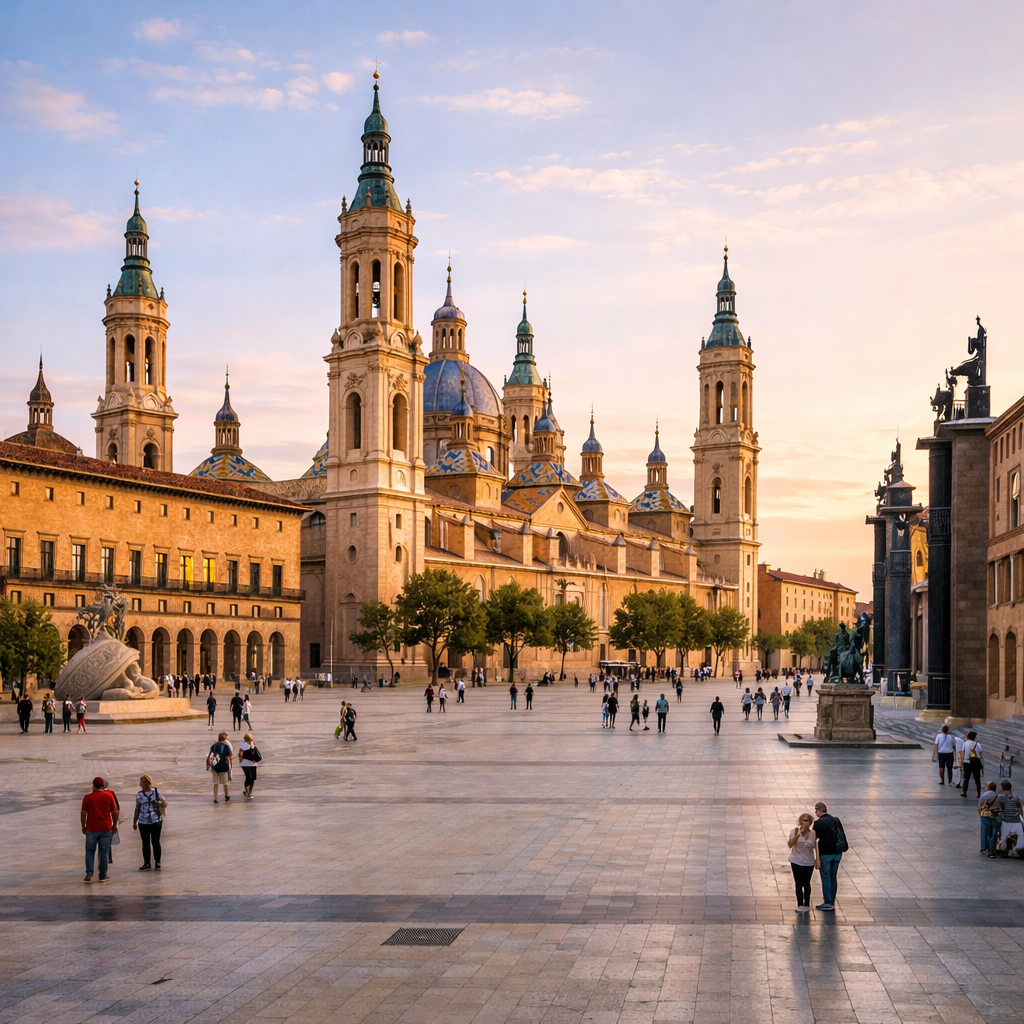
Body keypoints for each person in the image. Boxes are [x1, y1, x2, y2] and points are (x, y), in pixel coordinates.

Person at [81, 776, 119, 882]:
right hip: (106, 828)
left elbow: (83, 813)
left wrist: (83, 826)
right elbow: (115, 812)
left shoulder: (87, 797)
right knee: (103, 852)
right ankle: (103, 875)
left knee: (89, 850)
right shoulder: (109, 796)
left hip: (91, 828)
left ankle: (89, 872)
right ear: (103, 785)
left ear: (93, 786)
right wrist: (114, 825)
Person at [812, 801, 846, 910]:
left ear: (818, 811)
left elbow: (814, 838)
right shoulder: (836, 819)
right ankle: (832, 899)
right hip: (837, 853)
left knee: (825, 877)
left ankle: (828, 902)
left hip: (826, 854)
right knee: (833, 876)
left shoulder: (818, 823)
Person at [787, 813, 820, 912]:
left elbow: (816, 847)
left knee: (806, 882)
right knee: (798, 882)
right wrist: (798, 835)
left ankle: (807, 904)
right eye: (803, 821)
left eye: (807, 821)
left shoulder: (813, 833)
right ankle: (800, 904)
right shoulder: (794, 831)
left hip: (808, 861)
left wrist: (817, 860)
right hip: (796, 860)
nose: (805, 823)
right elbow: (790, 844)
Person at [132, 774, 163, 870]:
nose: (140, 784)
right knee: (151, 842)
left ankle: (152, 862)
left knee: (152, 842)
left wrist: (135, 821)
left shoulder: (141, 794)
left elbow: (137, 808)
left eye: (141, 783)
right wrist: (135, 821)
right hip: (153, 820)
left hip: (149, 821)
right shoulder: (156, 792)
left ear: (145, 783)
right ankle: (152, 863)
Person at [995, 780, 1024, 856]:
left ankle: (1003, 849)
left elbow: (1000, 809)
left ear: (1002, 788)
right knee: (1021, 835)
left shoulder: (1000, 798)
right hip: (1017, 821)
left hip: (1006, 821)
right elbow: (1020, 810)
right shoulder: (1016, 797)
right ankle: (1018, 849)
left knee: (1004, 837)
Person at [207, 731, 233, 802]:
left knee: (215, 783)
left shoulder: (213, 746)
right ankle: (226, 795)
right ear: (224, 739)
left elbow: (210, 755)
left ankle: (215, 798)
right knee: (225, 783)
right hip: (223, 766)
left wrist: (208, 765)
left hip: (215, 766)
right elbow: (228, 755)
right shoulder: (226, 746)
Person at [978, 781, 1000, 858]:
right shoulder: (997, 796)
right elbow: (1000, 808)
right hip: (995, 817)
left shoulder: (983, 795)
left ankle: (983, 848)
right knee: (993, 834)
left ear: (988, 787)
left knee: (984, 832)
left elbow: (979, 807)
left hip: (985, 816)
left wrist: (981, 814)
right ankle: (991, 850)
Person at [960, 731, 984, 798]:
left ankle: (964, 792)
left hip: (967, 761)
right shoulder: (978, 744)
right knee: (977, 778)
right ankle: (978, 793)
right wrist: (982, 763)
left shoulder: (965, 744)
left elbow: (962, 753)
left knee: (966, 778)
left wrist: (960, 763)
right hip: (976, 762)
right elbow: (981, 755)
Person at [238, 732, 261, 797]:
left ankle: (248, 791)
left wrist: (240, 760)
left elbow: (240, 753)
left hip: (245, 763)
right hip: (252, 764)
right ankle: (248, 791)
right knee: (251, 778)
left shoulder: (245, 744)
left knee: (249, 777)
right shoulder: (250, 744)